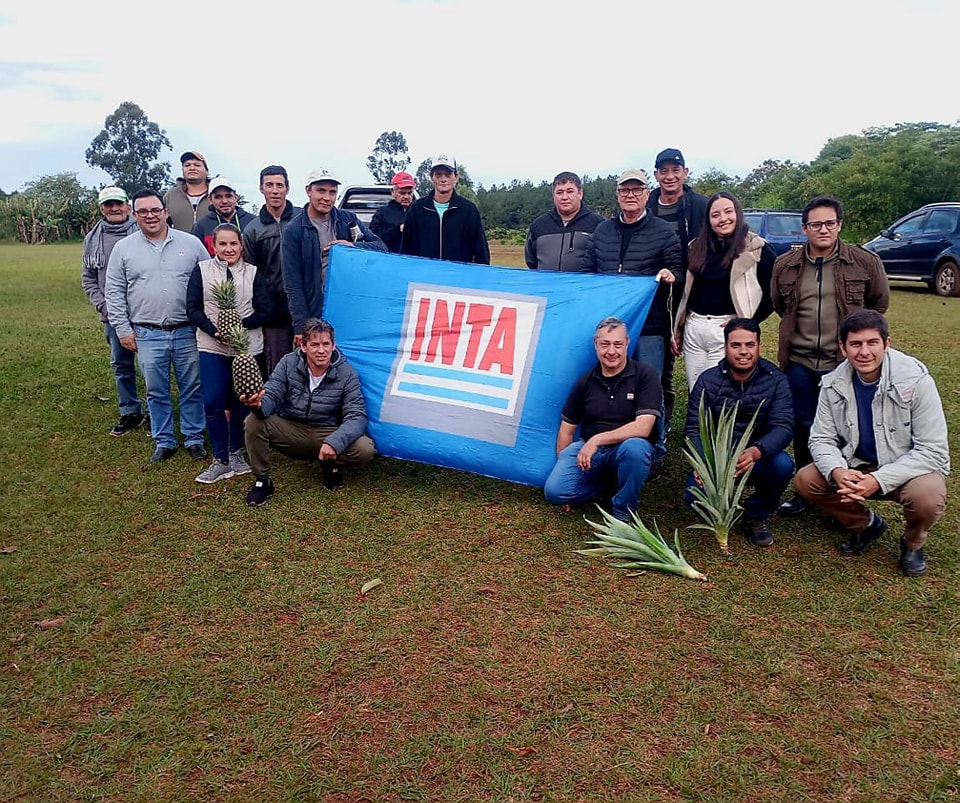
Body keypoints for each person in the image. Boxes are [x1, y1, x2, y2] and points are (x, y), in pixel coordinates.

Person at [794, 311, 949, 577]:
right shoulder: (832, 384)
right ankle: (865, 525)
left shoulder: (917, 381)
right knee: (806, 480)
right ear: (843, 348)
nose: (864, 352)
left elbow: (932, 451)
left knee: (928, 497)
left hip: (905, 471)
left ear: (887, 344)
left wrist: (878, 480)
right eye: (855, 344)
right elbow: (821, 438)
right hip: (857, 467)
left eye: (872, 343)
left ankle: (913, 543)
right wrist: (837, 471)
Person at [773, 195, 890, 516]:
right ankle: (805, 489)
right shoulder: (786, 265)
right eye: (815, 224)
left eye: (829, 223)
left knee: (846, 426)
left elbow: (878, 306)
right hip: (798, 362)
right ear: (804, 228)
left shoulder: (864, 262)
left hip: (844, 365)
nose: (822, 229)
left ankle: (842, 489)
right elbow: (780, 305)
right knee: (804, 425)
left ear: (839, 225)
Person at [581, 168, 683, 477]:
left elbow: (678, 268)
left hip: (650, 324)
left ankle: (657, 449)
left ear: (646, 193)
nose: (631, 195)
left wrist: (670, 276)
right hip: (610, 326)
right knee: (607, 381)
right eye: (625, 189)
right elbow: (587, 272)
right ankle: (608, 441)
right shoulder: (602, 231)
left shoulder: (664, 230)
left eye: (637, 189)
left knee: (651, 385)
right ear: (617, 194)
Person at [105, 189, 211, 463]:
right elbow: (114, 292)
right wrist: (123, 329)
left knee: (191, 386)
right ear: (134, 214)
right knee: (156, 390)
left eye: (155, 210)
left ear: (165, 212)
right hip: (147, 332)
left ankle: (194, 437)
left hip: (187, 329)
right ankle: (164, 440)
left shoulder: (191, 244)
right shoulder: (124, 249)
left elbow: (208, 283)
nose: (150, 216)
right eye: (143, 211)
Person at [242, 318, 376, 506]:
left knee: (365, 448)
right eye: (314, 344)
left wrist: (335, 443)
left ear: (333, 345)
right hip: (292, 429)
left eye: (325, 344)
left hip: (327, 432)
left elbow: (357, 416)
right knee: (253, 421)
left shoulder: (347, 373)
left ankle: (331, 465)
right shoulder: (288, 363)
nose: (321, 350)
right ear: (303, 346)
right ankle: (262, 480)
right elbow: (272, 393)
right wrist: (257, 404)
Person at [684, 318, 794, 547]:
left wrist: (756, 451)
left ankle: (755, 515)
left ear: (759, 346)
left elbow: (783, 427)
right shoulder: (708, 381)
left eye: (749, 345)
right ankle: (718, 510)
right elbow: (693, 428)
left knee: (783, 465)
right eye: (736, 346)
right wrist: (703, 463)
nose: (743, 352)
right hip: (716, 461)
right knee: (692, 497)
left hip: (755, 457)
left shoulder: (776, 381)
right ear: (725, 347)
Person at [543, 316, 661, 522]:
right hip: (591, 451)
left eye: (618, 344)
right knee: (555, 493)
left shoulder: (645, 376)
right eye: (605, 344)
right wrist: (568, 474)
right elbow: (567, 429)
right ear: (595, 344)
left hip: (627, 447)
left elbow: (643, 428)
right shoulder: (585, 381)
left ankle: (623, 511)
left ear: (627, 344)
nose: (611, 351)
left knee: (635, 449)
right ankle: (609, 482)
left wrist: (596, 440)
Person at [186, 224, 272, 483]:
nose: (228, 249)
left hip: (246, 346)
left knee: (241, 400)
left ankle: (236, 453)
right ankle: (220, 459)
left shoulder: (253, 273)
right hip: (212, 344)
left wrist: (239, 325)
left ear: (241, 245)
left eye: (233, 244)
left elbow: (267, 309)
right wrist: (214, 329)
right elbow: (192, 308)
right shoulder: (202, 271)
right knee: (212, 399)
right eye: (223, 244)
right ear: (214, 246)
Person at [672, 192, 777, 389]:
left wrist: (747, 321)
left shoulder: (756, 248)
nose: (723, 219)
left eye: (728, 212)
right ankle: (701, 422)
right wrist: (679, 328)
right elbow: (688, 292)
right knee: (696, 390)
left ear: (737, 213)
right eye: (716, 214)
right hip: (694, 327)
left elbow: (773, 293)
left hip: (726, 329)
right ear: (709, 220)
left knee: (721, 391)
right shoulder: (695, 247)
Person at [646, 148, 710, 438]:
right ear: (656, 174)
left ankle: (673, 418)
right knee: (654, 360)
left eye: (676, 170)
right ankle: (654, 418)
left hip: (689, 291)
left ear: (685, 172)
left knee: (670, 362)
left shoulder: (700, 206)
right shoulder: (647, 203)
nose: (670, 176)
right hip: (651, 294)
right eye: (664, 171)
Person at [281, 168, 386, 339]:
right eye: (321, 191)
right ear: (308, 190)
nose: (327, 198)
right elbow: (293, 284)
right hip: (317, 312)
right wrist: (301, 327)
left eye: (332, 192)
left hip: (351, 309)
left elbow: (381, 247)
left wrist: (352, 246)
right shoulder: (294, 230)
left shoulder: (348, 219)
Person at [81, 186, 144, 436]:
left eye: (118, 203)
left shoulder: (142, 231)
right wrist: (105, 306)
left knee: (150, 365)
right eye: (109, 205)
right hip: (112, 316)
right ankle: (130, 411)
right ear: (101, 209)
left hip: (144, 312)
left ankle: (154, 413)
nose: (114, 208)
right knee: (121, 364)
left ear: (128, 206)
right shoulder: (93, 239)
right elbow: (89, 278)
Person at [243, 165, 298, 375]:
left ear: (287, 188)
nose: (275, 190)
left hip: (306, 306)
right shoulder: (252, 229)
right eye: (269, 185)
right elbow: (252, 274)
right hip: (275, 311)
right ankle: (278, 407)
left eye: (280, 185)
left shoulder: (302, 219)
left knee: (311, 359)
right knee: (278, 364)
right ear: (261, 189)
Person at [400, 155, 490, 264]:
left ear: (456, 177)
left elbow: (481, 252)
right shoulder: (416, 209)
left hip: (458, 277)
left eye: (448, 175)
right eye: (438, 175)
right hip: (423, 277)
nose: (443, 179)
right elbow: (406, 250)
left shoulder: (469, 210)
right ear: (431, 177)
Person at [524, 171, 604, 271]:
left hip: (582, 286)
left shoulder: (599, 225)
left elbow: (604, 262)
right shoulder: (538, 225)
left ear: (580, 194)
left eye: (570, 191)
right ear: (553, 196)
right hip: (546, 285)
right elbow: (531, 262)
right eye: (559, 192)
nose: (565, 197)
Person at [191, 177, 255, 256]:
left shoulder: (252, 222)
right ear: (210, 200)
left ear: (236, 197)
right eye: (218, 197)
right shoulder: (200, 226)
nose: (224, 201)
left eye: (228, 196)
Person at [164, 151, 211, 232]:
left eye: (197, 165)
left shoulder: (218, 195)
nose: (192, 168)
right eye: (187, 165)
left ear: (206, 171)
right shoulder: (171, 196)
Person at [370, 171, 416, 253]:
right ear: (392, 192)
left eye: (409, 193)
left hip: (415, 259)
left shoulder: (420, 211)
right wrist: (398, 230)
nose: (406, 196)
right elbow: (373, 236)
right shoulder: (382, 213)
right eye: (402, 193)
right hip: (390, 257)